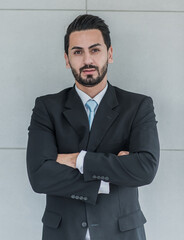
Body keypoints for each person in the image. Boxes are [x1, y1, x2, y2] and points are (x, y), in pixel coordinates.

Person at [26, 14, 160, 240]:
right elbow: (40, 176)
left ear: (109, 54)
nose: (87, 60)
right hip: (63, 233)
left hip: (122, 233)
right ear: (67, 59)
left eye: (95, 50)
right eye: (77, 52)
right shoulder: (46, 107)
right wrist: (113, 172)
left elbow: (145, 169)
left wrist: (77, 160)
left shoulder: (138, 106)